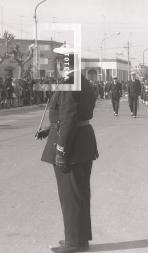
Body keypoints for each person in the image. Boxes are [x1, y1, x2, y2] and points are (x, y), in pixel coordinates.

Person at [36, 46, 98, 253]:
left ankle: (75, 243)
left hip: (72, 147)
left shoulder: (71, 83)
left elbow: (70, 118)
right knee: (78, 194)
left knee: (71, 196)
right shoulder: (81, 81)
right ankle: (78, 238)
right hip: (81, 142)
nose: (58, 65)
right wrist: (49, 129)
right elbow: (73, 115)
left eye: (60, 61)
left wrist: (61, 150)